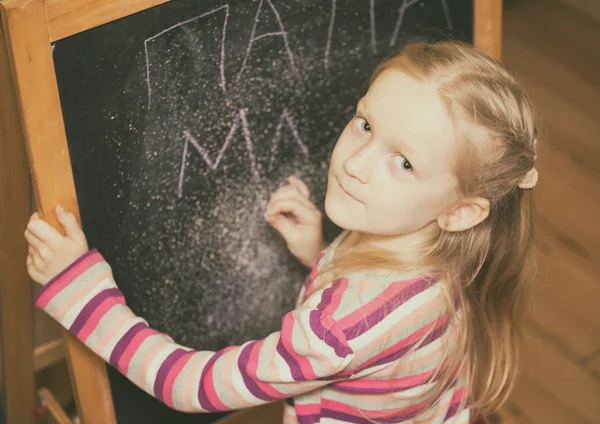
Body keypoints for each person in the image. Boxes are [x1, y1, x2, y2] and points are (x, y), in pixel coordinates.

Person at [24, 41, 539, 423]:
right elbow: (383, 314)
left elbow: (187, 384)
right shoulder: (445, 250)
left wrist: (81, 290)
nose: (355, 163)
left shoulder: (335, 333)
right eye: (364, 124)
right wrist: (322, 254)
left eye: (403, 162)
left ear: (461, 210)